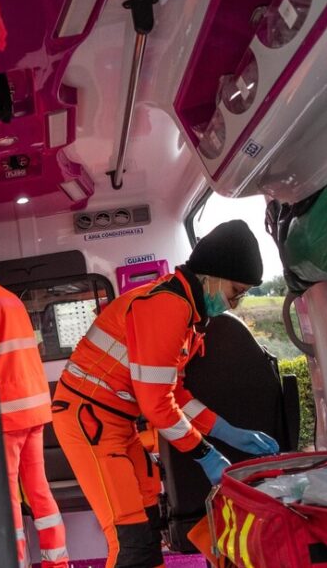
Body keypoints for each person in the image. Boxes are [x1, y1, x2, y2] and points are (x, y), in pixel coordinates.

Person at [51, 220, 280, 568]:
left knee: (148, 521)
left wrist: (226, 430)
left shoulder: (188, 316)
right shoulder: (167, 307)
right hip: (90, 421)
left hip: (116, 422)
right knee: (129, 539)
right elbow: (157, 405)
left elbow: (174, 394)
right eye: (236, 291)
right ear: (211, 277)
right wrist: (205, 453)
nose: (234, 304)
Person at [0, 275, 70, 568]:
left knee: (6, 494)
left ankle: (15, 561)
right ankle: (57, 562)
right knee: (38, 488)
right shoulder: (8, 298)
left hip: (7, 411)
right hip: (34, 406)